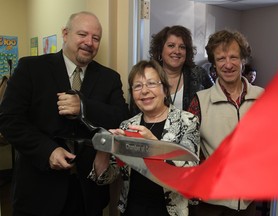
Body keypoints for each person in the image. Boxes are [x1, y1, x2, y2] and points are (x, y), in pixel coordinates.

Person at [0, 11, 129, 216]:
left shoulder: (110, 78)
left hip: (88, 193)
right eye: (82, 34)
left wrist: (84, 106)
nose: (89, 42)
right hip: (38, 190)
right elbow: (9, 120)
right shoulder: (31, 68)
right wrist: (47, 151)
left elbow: (121, 119)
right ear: (65, 34)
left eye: (96, 38)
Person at [89, 60, 200, 216]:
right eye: (138, 86)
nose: (144, 91)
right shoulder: (127, 126)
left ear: (165, 89)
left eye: (151, 83)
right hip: (132, 209)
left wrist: (153, 145)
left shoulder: (187, 121)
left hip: (169, 211)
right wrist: (104, 147)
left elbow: (190, 175)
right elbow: (105, 177)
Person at [187, 29, 264, 216]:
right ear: (213, 64)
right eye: (221, 59)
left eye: (233, 57)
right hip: (210, 203)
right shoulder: (199, 101)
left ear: (243, 60)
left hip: (248, 202)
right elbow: (187, 149)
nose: (228, 64)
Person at [145, 25, 214, 112]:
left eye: (182, 47)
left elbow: (215, 102)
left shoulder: (199, 74)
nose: (177, 51)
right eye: (171, 46)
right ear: (160, 50)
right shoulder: (148, 76)